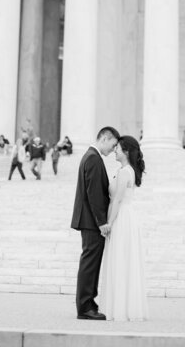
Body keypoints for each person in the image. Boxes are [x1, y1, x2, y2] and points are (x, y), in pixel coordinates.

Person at [70, 125, 120, 321]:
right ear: (104, 139)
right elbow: (94, 194)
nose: (113, 150)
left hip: (90, 220)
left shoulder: (92, 157)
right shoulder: (93, 158)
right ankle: (85, 307)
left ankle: (88, 303)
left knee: (91, 263)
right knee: (89, 264)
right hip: (91, 221)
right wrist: (102, 222)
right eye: (113, 145)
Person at [100, 135, 148, 321]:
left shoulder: (124, 172)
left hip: (121, 218)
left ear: (126, 151)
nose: (115, 151)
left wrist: (109, 223)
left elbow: (117, 199)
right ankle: (125, 306)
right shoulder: (127, 170)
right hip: (128, 217)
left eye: (118, 148)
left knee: (119, 260)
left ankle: (118, 307)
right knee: (124, 261)